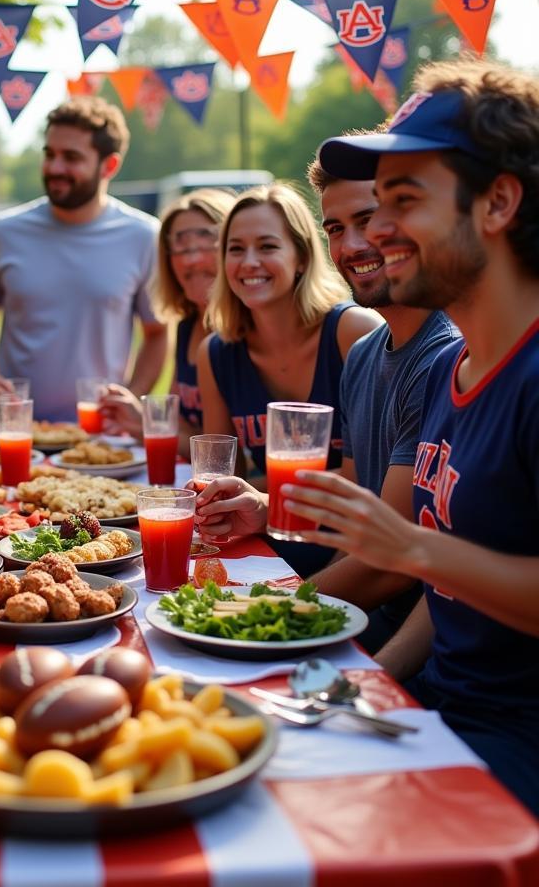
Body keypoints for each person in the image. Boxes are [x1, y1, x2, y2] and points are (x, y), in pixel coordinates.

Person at [281, 60, 539, 816]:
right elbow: (452, 597)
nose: (376, 230)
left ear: (498, 202)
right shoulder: (458, 369)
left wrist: (412, 549)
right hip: (437, 712)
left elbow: (424, 562)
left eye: (404, 201)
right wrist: (369, 685)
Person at [308, 158, 460, 656]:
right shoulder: (365, 352)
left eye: (369, 220)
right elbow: (356, 518)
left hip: (422, 642)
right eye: (336, 228)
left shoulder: (442, 356)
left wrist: (272, 604)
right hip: (367, 621)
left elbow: (389, 566)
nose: (351, 246)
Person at [196, 182, 382, 574]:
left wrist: (268, 500)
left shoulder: (354, 332)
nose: (249, 262)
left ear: (301, 256)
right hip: (265, 553)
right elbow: (222, 476)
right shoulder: (215, 353)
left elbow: (371, 478)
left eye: (267, 246)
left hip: (355, 553)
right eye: (235, 248)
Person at [0, 96, 167, 421]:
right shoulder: (5, 231)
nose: (55, 168)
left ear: (110, 166)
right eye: (49, 154)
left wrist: (128, 402)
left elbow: (157, 332)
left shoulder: (144, 236)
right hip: (17, 434)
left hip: (101, 439)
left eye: (71, 157)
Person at [99, 188, 234, 447]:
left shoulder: (249, 331)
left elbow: (221, 450)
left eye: (207, 241)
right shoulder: (187, 327)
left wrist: (144, 425)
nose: (192, 259)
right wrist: (136, 418)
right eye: (180, 247)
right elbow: (181, 426)